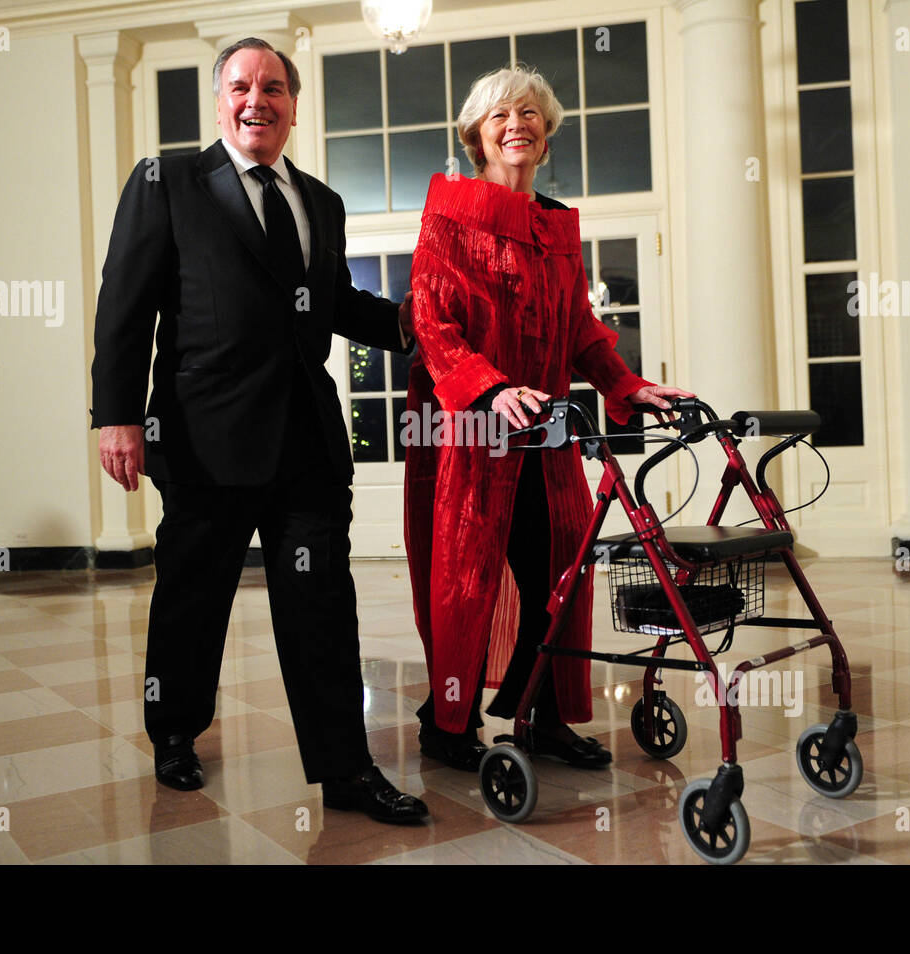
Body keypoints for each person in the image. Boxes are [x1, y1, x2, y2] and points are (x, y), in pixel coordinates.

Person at [91, 37, 427, 823]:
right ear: (219, 102)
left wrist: (419, 325)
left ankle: (346, 769)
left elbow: (338, 304)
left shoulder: (321, 201)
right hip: (204, 440)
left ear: (293, 105)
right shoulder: (168, 182)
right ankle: (175, 731)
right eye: (241, 86)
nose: (257, 100)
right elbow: (125, 304)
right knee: (192, 600)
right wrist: (116, 415)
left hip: (305, 443)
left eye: (274, 87)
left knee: (321, 606)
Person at [404, 66, 693, 771]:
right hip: (470, 434)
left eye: (530, 113)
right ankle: (447, 727)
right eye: (502, 114)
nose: (518, 124)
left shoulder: (557, 227)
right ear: (476, 134)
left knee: (557, 575)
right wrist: (488, 388)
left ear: (547, 131)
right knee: (465, 581)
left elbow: (579, 327)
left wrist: (627, 384)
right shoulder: (449, 214)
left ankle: (543, 717)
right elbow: (431, 317)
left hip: (547, 438)